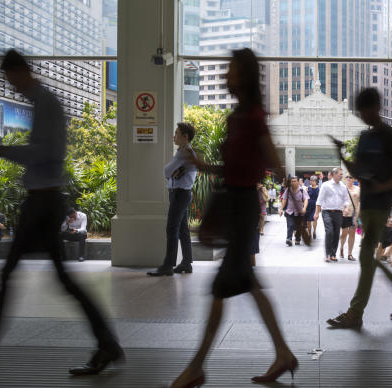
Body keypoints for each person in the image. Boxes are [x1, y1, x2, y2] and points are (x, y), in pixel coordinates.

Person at [0, 50, 122, 376]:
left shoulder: (47, 104)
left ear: (22, 71)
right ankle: (107, 344)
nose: (10, 86)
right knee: (55, 279)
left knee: (18, 276)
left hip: (43, 202)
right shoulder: (43, 103)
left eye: (10, 78)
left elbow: (45, 153)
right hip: (41, 200)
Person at [171, 48, 297, 388]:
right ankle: (283, 353)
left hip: (243, 208)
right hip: (236, 204)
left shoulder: (254, 116)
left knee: (223, 286)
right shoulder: (240, 116)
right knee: (249, 284)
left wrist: (284, 178)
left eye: (232, 70)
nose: (227, 75)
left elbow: (271, 160)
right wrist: (203, 165)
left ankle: (197, 366)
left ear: (246, 75)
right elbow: (236, 167)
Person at [325, 87, 392, 329]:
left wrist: (382, 187)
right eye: (361, 112)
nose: (363, 116)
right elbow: (356, 172)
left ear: (376, 108)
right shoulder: (365, 138)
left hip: (380, 204)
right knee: (367, 259)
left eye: (365, 110)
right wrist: (340, 153)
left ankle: (356, 313)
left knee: (366, 257)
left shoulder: (391, 136)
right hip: (367, 205)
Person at [147, 123, 198, 277]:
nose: (173, 136)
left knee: (172, 228)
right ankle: (186, 263)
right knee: (182, 230)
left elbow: (166, 171)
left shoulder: (184, 153)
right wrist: (172, 174)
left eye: (176, 133)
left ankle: (168, 265)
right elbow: (171, 173)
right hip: (181, 193)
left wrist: (170, 173)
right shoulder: (185, 152)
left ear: (185, 137)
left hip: (179, 194)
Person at [315, 167, 350, 262]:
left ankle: (333, 254)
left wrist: (346, 208)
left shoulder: (343, 186)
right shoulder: (326, 185)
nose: (342, 176)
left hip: (338, 213)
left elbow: (346, 200)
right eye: (340, 174)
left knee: (336, 233)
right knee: (329, 231)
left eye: (342, 174)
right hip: (327, 212)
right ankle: (327, 254)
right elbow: (320, 200)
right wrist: (317, 213)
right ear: (334, 174)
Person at [280, 176, 308, 247]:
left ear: (298, 182)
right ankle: (289, 239)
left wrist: (304, 208)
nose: (293, 183)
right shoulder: (288, 190)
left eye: (295, 181)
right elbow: (284, 199)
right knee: (290, 225)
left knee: (299, 227)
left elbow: (306, 199)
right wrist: (281, 209)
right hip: (290, 211)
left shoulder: (302, 190)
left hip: (299, 211)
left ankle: (297, 239)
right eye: (292, 181)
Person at [338, 175, 360, 260]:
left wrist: (358, 214)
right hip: (344, 214)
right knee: (344, 233)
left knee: (352, 234)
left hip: (354, 214)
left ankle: (350, 254)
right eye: (347, 177)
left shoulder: (358, 189)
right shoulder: (342, 188)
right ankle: (341, 247)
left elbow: (360, 202)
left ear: (354, 179)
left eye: (350, 177)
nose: (348, 179)